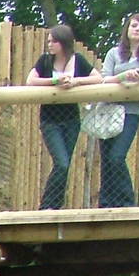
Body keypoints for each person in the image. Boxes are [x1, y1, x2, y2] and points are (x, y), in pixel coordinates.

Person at [25, 25, 98, 210]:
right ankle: (47, 206)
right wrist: (55, 81)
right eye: (48, 41)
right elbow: (30, 81)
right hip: (50, 120)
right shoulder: (45, 61)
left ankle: (55, 205)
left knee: (65, 164)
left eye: (53, 41)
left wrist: (76, 81)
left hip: (72, 119)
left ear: (63, 42)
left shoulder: (78, 60)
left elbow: (98, 78)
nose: (49, 44)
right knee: (62, 163)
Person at [98, 13, 139, 208]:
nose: (136, 29)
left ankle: (126, 201)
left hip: (131, 111)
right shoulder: (113, 53)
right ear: (127, 29)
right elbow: (104, 78)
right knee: (106, 157)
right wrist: (123, 76)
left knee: (117, 155)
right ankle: (106, 202)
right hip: (108, 109)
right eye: (133, 25)